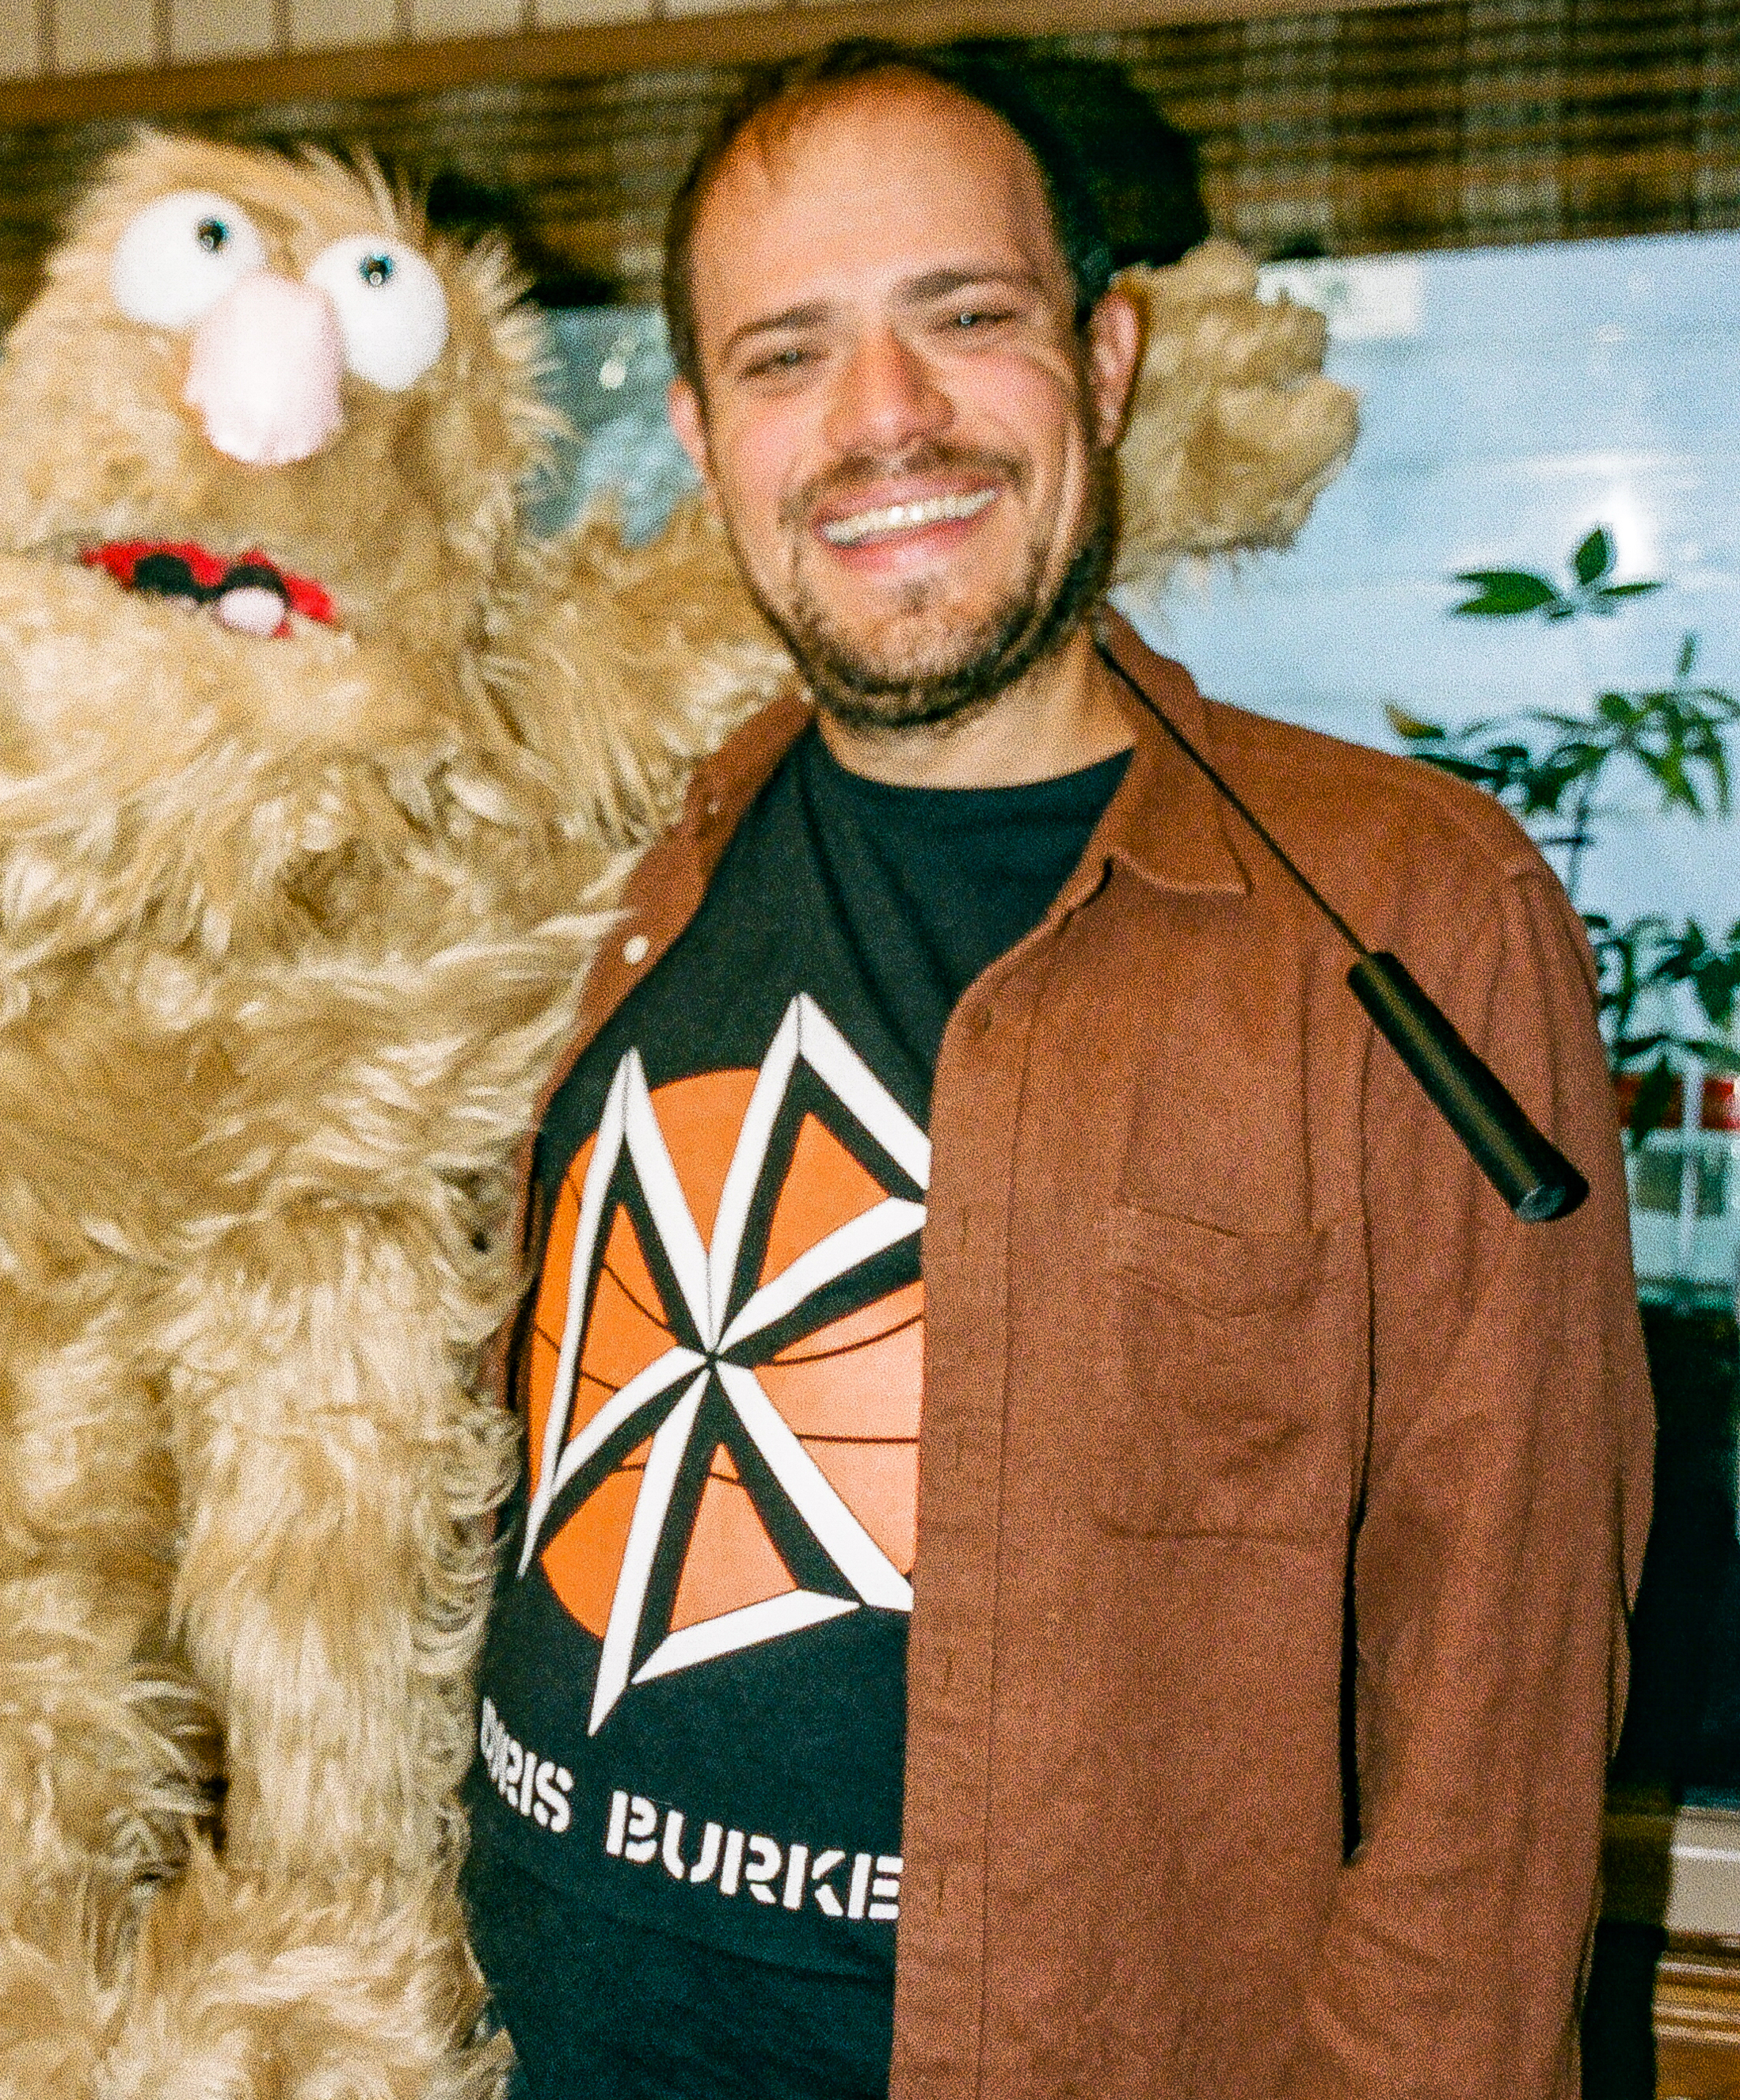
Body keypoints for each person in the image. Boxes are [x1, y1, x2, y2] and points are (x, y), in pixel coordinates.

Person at [461, 38, 1651, 2100]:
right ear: (696, 432)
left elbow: (1500, 1715)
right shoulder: (602, 863)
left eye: (965, 318)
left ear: (1102, 359)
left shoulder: (1398, 912)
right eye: (785, 356)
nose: (881, 419)